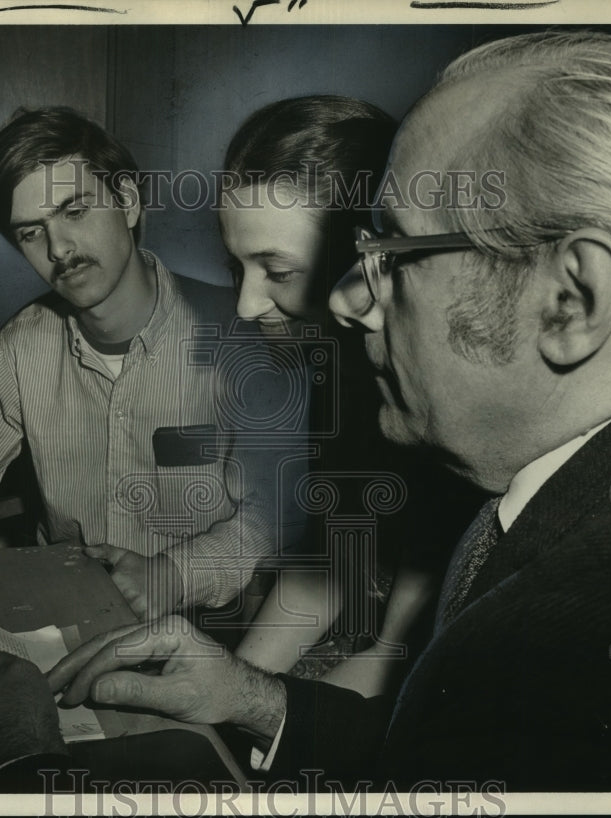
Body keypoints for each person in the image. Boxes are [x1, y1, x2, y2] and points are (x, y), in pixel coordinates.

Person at [0, 31, 611, 792]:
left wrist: (19, 772)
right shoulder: (581, 482)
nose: (353, 297)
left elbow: (405, 667)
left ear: (573, 300)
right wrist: (248, 697)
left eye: (390, 254)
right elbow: (359, 612)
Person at [0, 107, 277, 619]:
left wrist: (174, 576)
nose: (59, 249)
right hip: (68, 618)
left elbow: (275, 512)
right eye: (31, 233)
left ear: (128, 202)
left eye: (74, 211)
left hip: (205, 630)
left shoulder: (240, 337)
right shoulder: (21, 350)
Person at [219, 95, 482, 695]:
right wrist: (231, 687)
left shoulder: (441, 391)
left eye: (277, 272)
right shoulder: (337, 366)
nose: (245, 305)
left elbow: (395, 659)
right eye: (238, 268)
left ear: (363, 256)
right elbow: (333, 559)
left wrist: (253, 708)